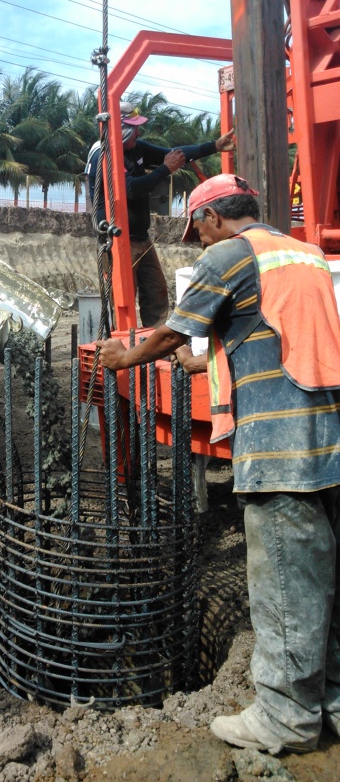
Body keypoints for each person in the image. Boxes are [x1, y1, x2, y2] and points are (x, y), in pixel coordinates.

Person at [95, 173, 340, 755]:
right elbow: (281, 335)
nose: (199, 242)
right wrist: (207, 366)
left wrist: (123, 356)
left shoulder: (229, 254)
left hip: (282, 451)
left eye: (197, 230)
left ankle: (285, 717)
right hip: (331, 443)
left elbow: (171, 331)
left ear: (213, 218)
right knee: (326, 582)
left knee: (283, 582)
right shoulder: (303, 255)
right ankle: (330, 699)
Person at [85, 102, 235, 328]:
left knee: (156, 292)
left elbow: (174, 154)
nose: (138, 132)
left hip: (140, 237)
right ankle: (124, 351)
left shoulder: (134, 148)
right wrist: (164, 169)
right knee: (122, 301)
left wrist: (213, 146)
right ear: (119, 129)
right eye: (134, 128)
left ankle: (153, 347)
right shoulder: (103, 155)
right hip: (116, 240)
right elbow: (131, 189)